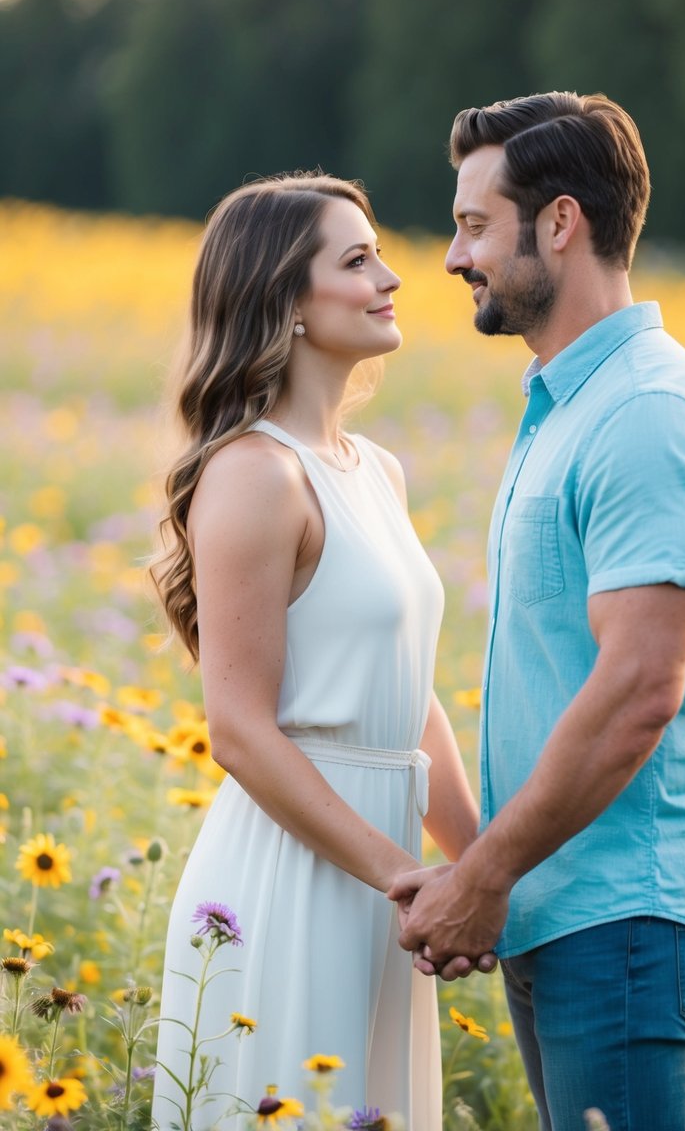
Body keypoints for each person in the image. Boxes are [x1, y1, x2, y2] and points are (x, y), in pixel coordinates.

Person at [390, 92, 685, 1131]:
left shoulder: (647, 411)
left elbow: (640, 685)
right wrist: (489, 873)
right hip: (560, 901)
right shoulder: (568, 404)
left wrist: (484, 874)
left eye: (472, 225)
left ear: (559, 223)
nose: (454, 257)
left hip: (624, 908)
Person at [149, 172, 485, 1130]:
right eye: (356, 259)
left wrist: (481, 871)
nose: (391, 276)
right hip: (293, 875)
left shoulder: (375, 469)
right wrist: (401, 875)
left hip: (386, 878)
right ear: (284, 301)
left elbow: (411, 702)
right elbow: (240, 732)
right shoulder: (254, 474)